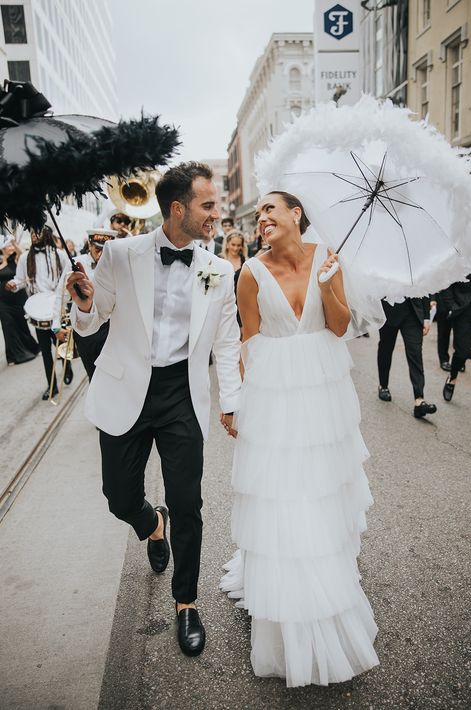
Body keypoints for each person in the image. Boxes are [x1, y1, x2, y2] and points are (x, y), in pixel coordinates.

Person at [66, 162, 241, 658]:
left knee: (189, 502)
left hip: (182, 393)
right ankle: (151, 525)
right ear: (178, 208)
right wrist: (82, 302)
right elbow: (91, 319)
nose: (216, 214)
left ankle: (187, 601)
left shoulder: (218, 270)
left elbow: (227, 343)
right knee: (118, 496)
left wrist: (231, 401)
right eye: (208, 205)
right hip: (126, 390)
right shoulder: (120, 255)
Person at [220, 191, 379, 687]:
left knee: (320, 489)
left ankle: (326, 574)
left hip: (321, 392)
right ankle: (291, 602)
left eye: (272, 208)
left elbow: (338, 326)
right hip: (272, 395)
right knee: (283, 495)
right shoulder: (249, 272)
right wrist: (237, 401)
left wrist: (330, 285)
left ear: (296, 214)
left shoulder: (327, 258)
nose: (262, 217)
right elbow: (248, 338)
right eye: (259, 212)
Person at [5, 226, 72, 399]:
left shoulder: (60, 255)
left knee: (61, 345)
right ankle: (52, 386)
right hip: (38, 310)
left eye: (38, 232)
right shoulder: (25, 258)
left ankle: (67, 366)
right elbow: (20, 280)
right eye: (32, 232)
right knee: (45, 351)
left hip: (57, 307)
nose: (34, 235)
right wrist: (13, 284)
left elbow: (68, 277)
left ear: (47, 234)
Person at [52, 229, 116, 380]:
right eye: (97, 249)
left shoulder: (116, 264)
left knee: (111, 376)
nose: (101, 255)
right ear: (90, 245)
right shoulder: (75, 263)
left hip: (111, 328)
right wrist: (55, 323)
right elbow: (61, 295)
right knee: (93, 375)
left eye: (105, 250)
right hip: (85, 329)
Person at [377, 298, 437, 418]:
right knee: (386, 349)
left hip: (413, 312)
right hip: (389, 309)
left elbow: (422, 283)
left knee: (415, 353)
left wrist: (426, 317)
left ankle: (419, 400)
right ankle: (383, 385)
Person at [0, 235, 39, 365]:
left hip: (18, 298)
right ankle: (14, 356)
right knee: (8, 327)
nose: (10, 248)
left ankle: (31, 348)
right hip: (3, 300)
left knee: (21, 324)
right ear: (3, 248)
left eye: (11, 246)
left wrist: (13, 242)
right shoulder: (1, 262)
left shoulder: (17, 259)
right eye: (8, 246)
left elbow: (22, 253)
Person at [440, 274, 471, 402]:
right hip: (463, 312)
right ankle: (452, 378)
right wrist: (451, 306)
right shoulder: (461, 258)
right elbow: (447, 283)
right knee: (462, 352)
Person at [221, 230, 247, 331]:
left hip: (240, 307)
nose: (236, 248)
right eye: (233, 244)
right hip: (223, 306)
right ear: (227, 244)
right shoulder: (219, 260)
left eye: (238, 245)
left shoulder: (246, 262)